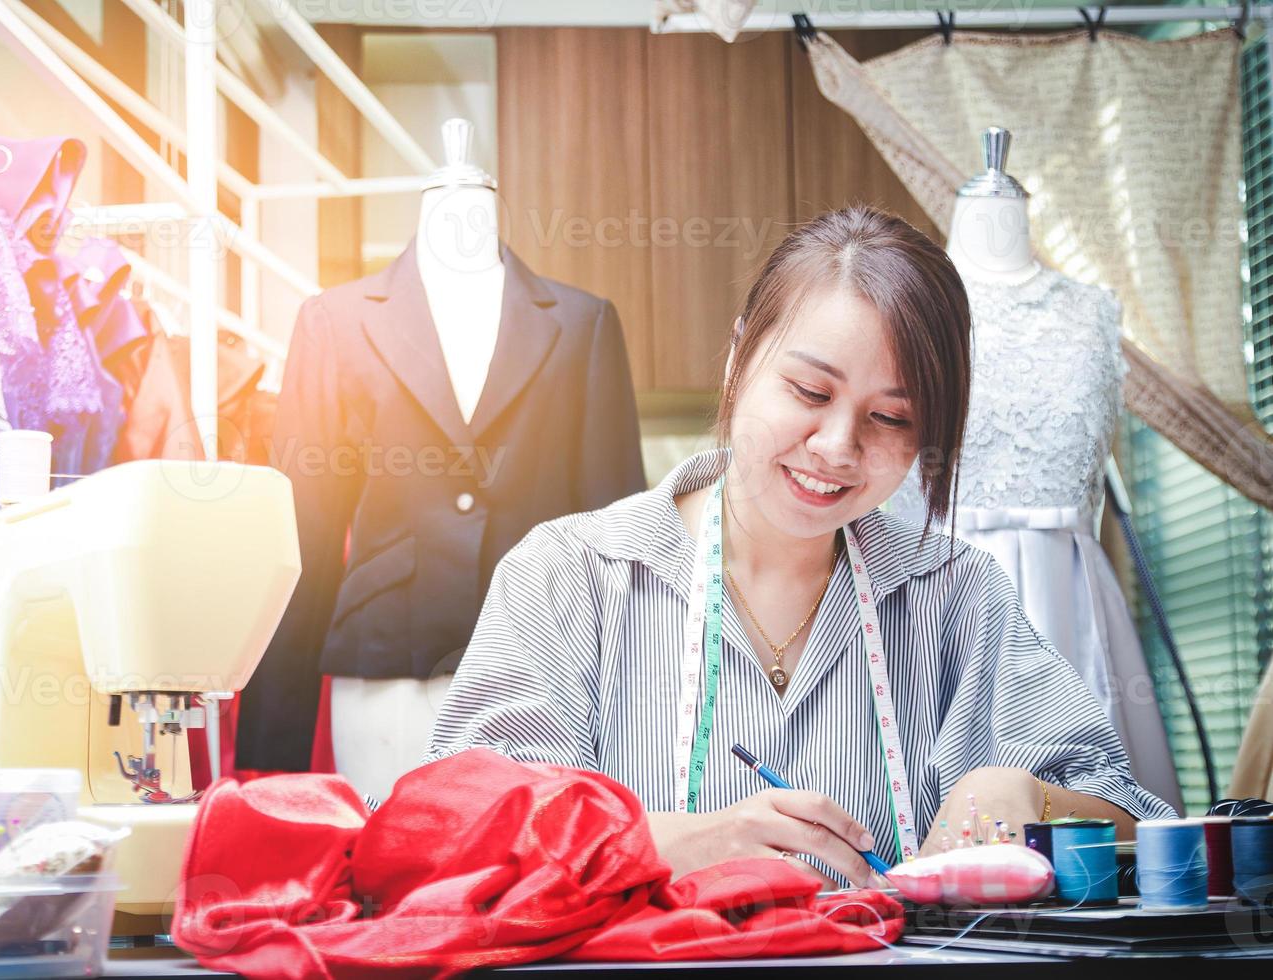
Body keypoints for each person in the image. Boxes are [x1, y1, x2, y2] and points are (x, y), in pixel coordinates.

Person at [424, 206, 1176, 888]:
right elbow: (462, 833)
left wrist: (1029, 796)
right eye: (811, 394)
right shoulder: (566, 575)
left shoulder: (957, 594)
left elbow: (1140, 821)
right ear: (739, 357)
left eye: (891, 419)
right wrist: (668, 843)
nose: (838, 447)